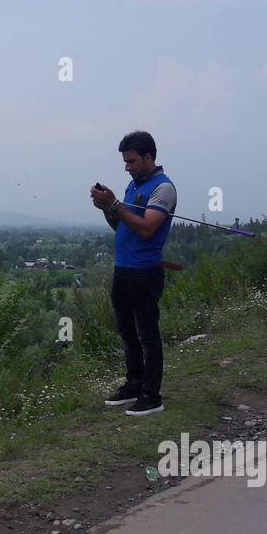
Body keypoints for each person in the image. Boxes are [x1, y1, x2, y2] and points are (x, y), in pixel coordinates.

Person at [90, 130, 177, 416]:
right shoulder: (132, 186)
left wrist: (115, 204)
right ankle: (134, 384)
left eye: (131, 161)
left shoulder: (163, 188)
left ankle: (152, 396)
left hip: (145, 272)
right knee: (126, 331)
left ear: (148, 157)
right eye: (125, 162)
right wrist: (107, 208)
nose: (127, 167)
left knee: (147, 335)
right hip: (123, 269)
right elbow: (123, 226)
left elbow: (147, 227)